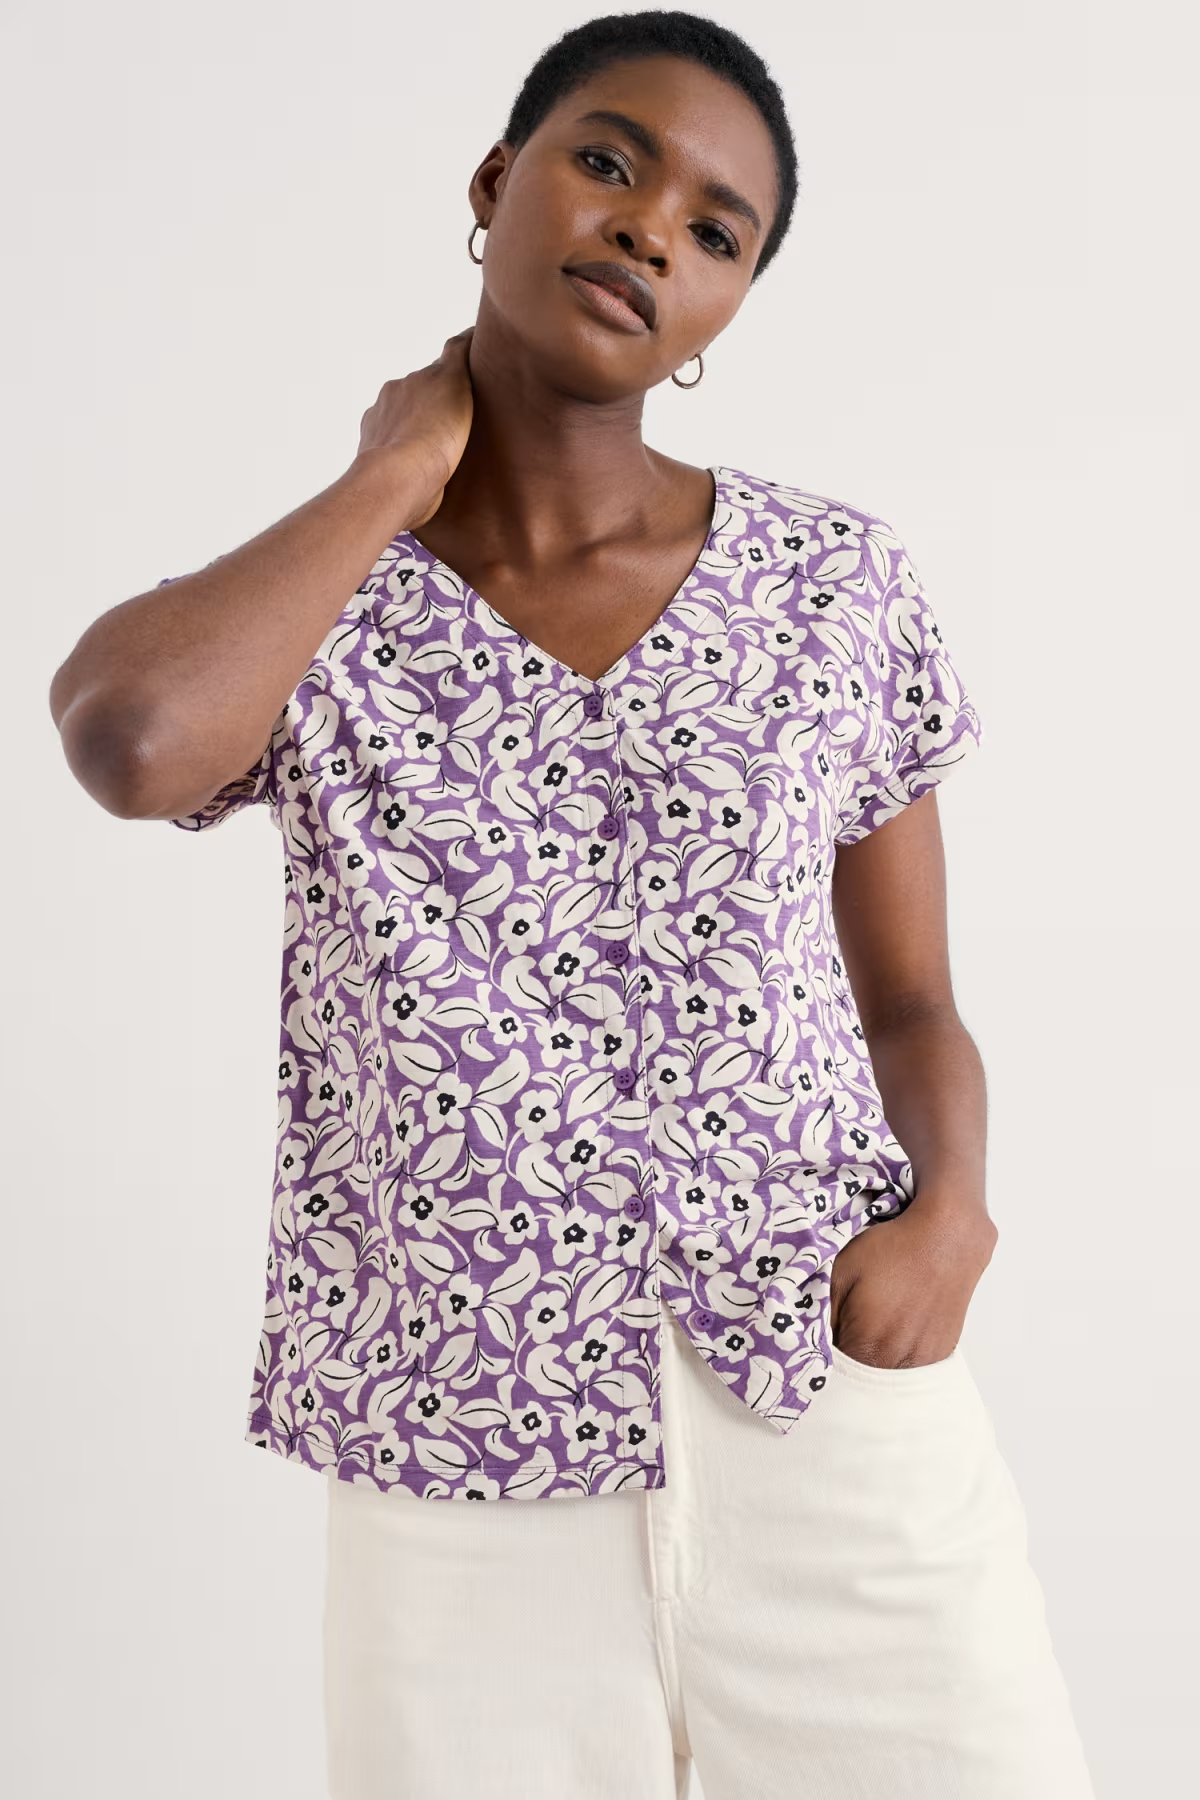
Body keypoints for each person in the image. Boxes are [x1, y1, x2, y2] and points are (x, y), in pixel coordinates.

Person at [48, 10, 1095, 1798]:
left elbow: (913, 1001)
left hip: (821, 1408)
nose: (647, 231)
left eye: (715, 230)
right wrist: (391, 475)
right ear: (496, 179)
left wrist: (958, 1218)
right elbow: (131, 743)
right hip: (453, 1462)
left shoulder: (834, 583)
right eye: (609, 162)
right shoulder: (328, 604)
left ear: (727, 308)